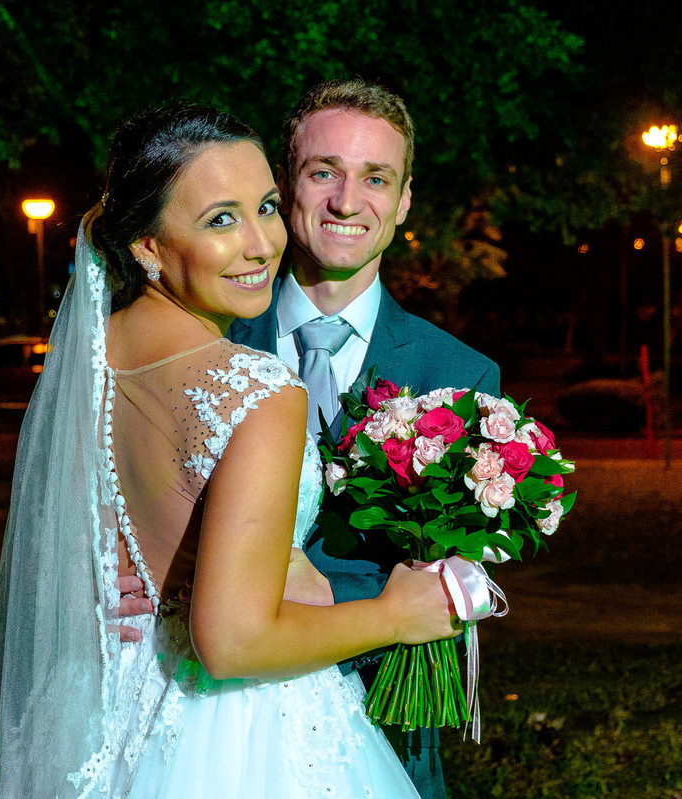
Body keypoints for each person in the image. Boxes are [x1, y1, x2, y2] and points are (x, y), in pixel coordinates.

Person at [0, 104, 461, 799]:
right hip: (244, 738)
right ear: (146, 246)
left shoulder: (90, 354)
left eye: (264, 208)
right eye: (221, 219)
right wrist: (395, 616)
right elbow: (231, 643)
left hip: (113, 709)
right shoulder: (260, 389)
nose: (261, 244)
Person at [229, 78, 502, 798]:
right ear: (284, 184)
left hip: (378, 733)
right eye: (324, 172)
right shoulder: (210, 343)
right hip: (219, 720)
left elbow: (453, 583)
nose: (347, 203)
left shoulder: (462, 377)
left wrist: (313, 589)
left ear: (404, 200)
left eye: (375, 178)